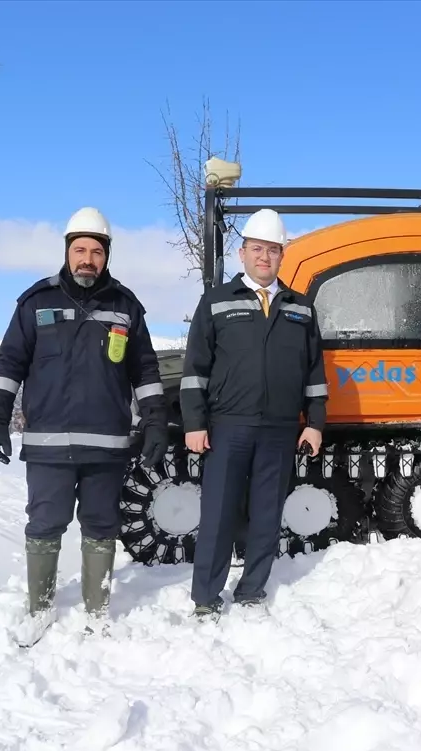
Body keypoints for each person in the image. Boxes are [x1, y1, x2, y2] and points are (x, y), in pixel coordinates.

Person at [0, 206, 169, 646]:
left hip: (106, 444)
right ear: (67, 252)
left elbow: (144, 371)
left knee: (102, 526)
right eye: (80, 249)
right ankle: (41, 608)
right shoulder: (36, 303)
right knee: (44, 524)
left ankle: (97, 610)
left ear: (107, 256)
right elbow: (10, 364)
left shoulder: (125, 307)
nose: (88, 259)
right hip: (48, 444)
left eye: (96, 251)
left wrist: (156, 423)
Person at [179, 208, 328, 619]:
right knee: (218, 514)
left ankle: (251, 590)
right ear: (242, 253)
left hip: (280, 428)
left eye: (273, 251)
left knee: (267, 513)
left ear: (283, 256)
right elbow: (196, 370)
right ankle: (206, 598)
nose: (265, 257)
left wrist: (314, 423)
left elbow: (314, 372)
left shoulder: (301, 308)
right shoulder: (216, 302)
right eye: (257, 249)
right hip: (228, 426)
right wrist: (194, 422)